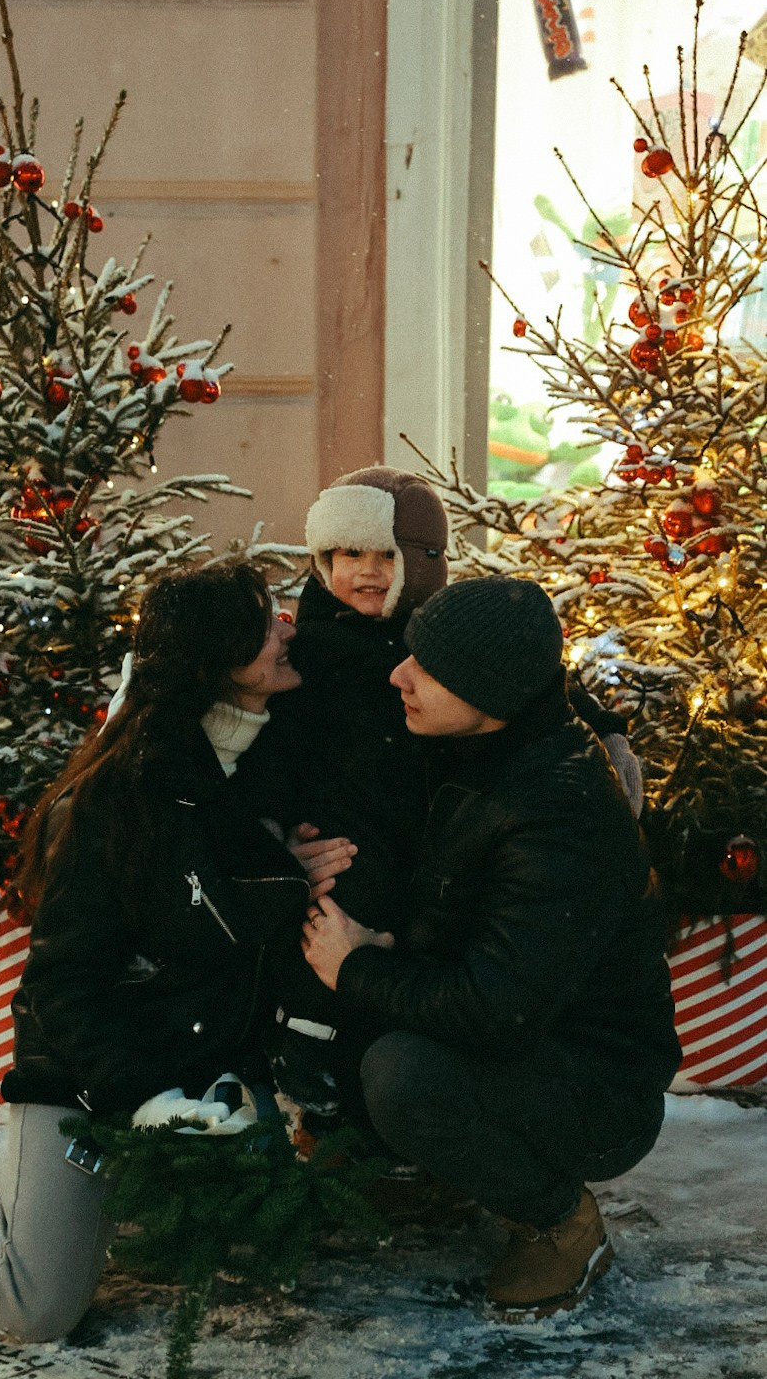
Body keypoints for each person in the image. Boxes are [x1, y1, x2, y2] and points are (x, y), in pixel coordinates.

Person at [0, 561, 315, 1343]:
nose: (286, 628)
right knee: (36, 1304)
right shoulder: (121, 799)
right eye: (263, 622)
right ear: (213, 656)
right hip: (89, 1073)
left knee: (258, 1240)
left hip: (205, 1069)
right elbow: (65, 986)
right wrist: (144, 1100)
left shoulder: (265, 765)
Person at [300, 575, 681, 1321]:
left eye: (428, 669)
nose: (398, 675)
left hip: (598, 1085)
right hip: (523, 1036)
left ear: (492, 692)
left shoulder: (558, 813)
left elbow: (498, 1009)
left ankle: (560, 1221)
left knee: (402, 1074)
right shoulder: (472, 742)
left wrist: (359, 966)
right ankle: (449, 1168)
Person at [240, 466, 641, 1131]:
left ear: (424, 561)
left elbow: (541, 684)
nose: (367, 572)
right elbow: (264, 749)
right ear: (320, 559)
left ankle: (391, 1111)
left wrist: (611, 735)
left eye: (385, 555)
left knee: (403, 954)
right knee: (337, 917)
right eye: (347, 555)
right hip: (343, 831)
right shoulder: (307, 650)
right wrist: (274, 839)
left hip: (433, 830)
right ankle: (305, 1048)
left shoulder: (454, 631)